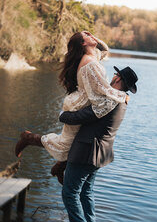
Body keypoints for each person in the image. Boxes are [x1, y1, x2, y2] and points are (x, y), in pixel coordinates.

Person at [15, 32, 129, 183]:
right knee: (66, 143)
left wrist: (91, 37)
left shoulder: (93, 54)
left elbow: (105, 49)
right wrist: (122, 96)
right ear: (83, 44)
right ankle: (28, 138)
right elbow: (103, 89)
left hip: (83, 101)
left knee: (74, 143)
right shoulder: (90, 63)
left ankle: (59, 168)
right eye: (87, 36)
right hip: (78, 105)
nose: (91, 35)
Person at [58, 66, 138, 222]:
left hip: (86, 152)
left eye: (115, 74)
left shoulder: (111, 99)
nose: (112, 76)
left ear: (118, 79)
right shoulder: (122, 100)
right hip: (100, 155)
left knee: (69, 193)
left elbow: (85, 115)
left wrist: (63, 115)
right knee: (86, 193)